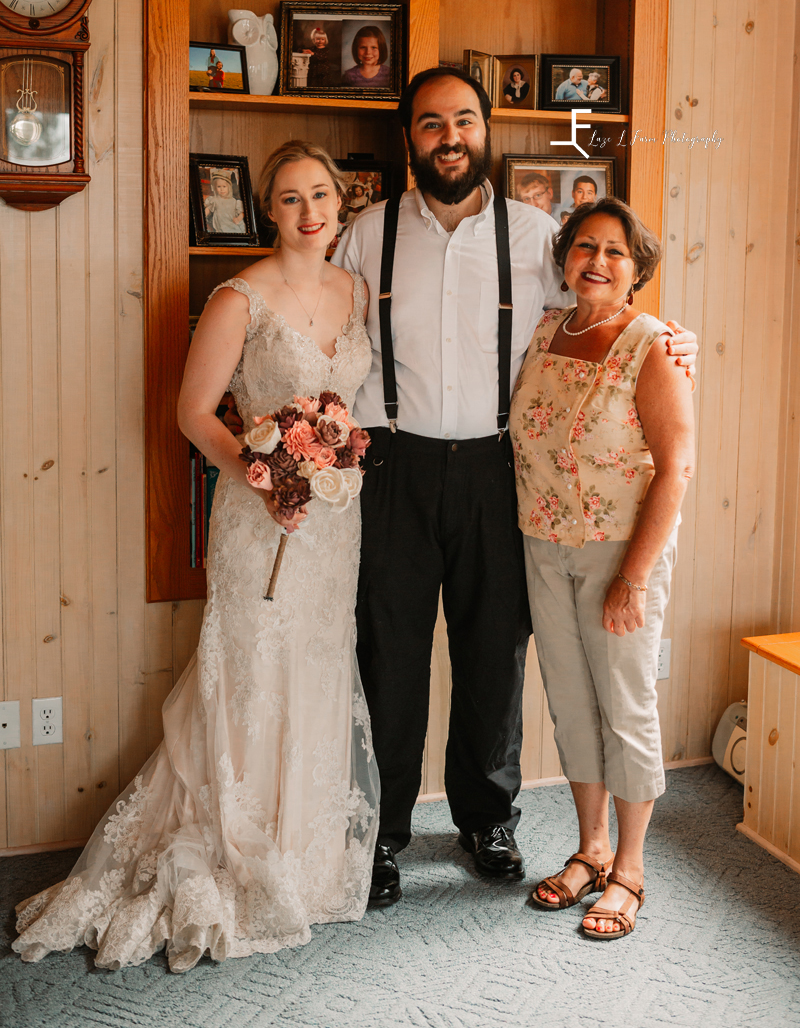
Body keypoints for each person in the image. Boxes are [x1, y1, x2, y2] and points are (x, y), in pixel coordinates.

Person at [330, 67, 699, 907]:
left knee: (495, 651)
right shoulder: (367, 232)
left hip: (503, 470)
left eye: (464, 120)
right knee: (388, 654)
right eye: (431, 124)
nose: (449, 137)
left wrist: (675, 338)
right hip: (394, 463)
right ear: (409, 139)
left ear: (485, 130)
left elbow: (606, 309)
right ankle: (383, 832)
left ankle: (486, 818)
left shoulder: (537, 234)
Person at [12, 141, 379, 972]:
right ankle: (240, 844)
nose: (309, 211)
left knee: (318, 664)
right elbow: (191, 412)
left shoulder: (354, 289)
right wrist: (265, 477)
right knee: (252, 667)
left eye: (321, 194)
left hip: (334, 526)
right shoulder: (238, 297)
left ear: (338, 201)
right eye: (289, 198)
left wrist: (327, 465)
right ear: (267, 209)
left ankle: (304, 853)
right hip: (258, 519)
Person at [510, 197, 695, 940]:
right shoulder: (547, 330)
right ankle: (588, 849)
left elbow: (675, 469)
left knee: (627, 707)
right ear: (565, 261)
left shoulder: (653, 343)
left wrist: (635, 576)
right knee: (571, 704)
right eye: (585, 246)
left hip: (621, 552)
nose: (597, 260)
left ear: (638, 269)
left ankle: (630, 869)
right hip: (543, 546)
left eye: (616, 250)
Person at [204, 170, 245, 234]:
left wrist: (238, 219)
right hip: (221, 229)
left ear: (229, 187)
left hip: (234, 227)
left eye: (224, 186)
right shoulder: (214, 200)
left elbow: (242, 213)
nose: (222, 189)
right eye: (219, 187)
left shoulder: (235, 202)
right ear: (215, 188)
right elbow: (208, 210)